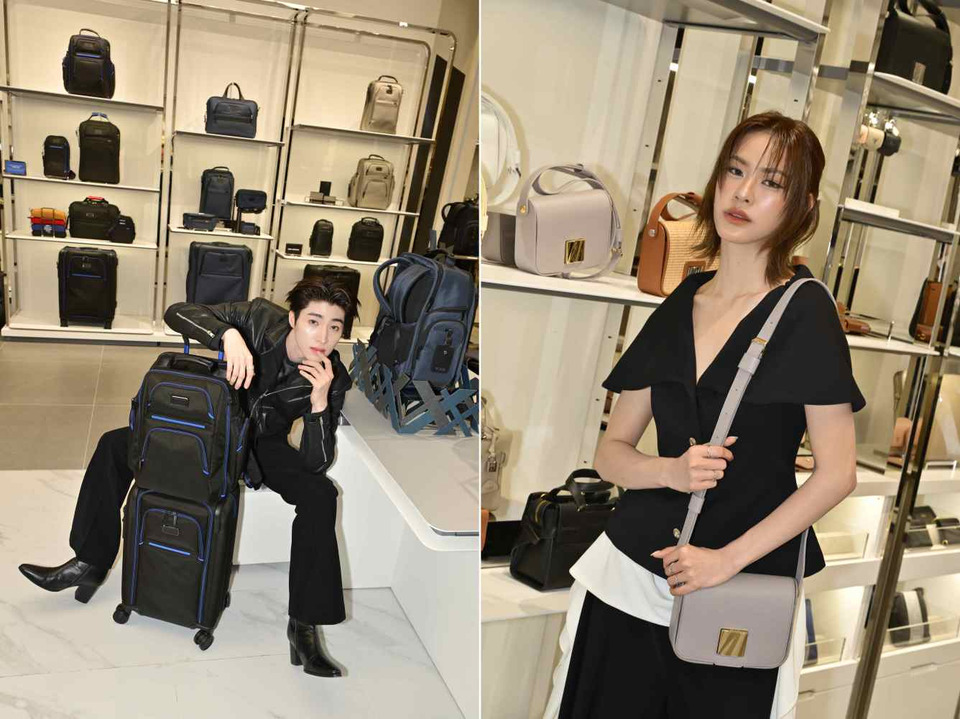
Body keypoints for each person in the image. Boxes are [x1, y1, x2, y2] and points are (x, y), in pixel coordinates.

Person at [544, 111, 867, 718]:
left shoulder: (806, 313)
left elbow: (836, 474)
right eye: (735, 172)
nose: (742, 193)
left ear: (802, 205)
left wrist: (726, 560)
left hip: (738, 591)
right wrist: (669, 471)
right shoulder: (680, 303)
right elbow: (611, 453)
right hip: (629, 580)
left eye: (770, 181)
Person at [19, 277, 355, 678]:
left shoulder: (333, 375)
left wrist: (318, 404)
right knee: (114, 445)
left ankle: (303, 626)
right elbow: (177, 312)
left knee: (320, 493)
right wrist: (227, 335)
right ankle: (90, 561)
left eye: (335, 326)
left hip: (262, 446)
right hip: (212, 430)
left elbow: (317, 462)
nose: (323, 336)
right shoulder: (259, 319)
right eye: (314, 322)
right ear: (294, 318)